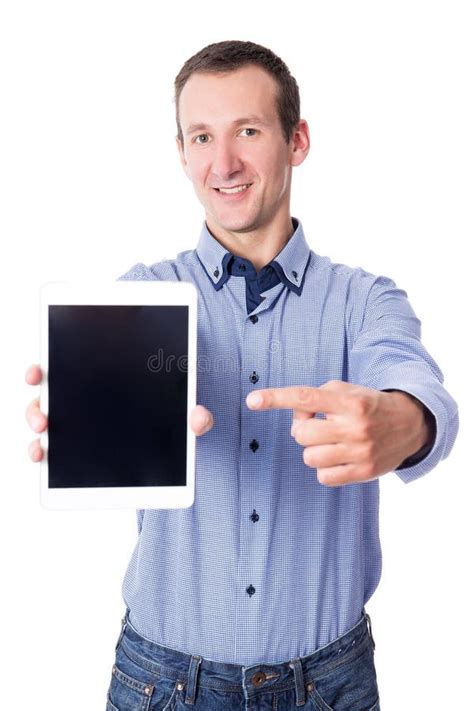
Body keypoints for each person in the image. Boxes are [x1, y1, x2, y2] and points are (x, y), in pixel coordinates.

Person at [25, 40, 458, 711]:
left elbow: (414, 384)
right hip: (160, 683)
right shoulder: (141, 297)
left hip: (330, 685)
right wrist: (81, 423)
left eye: (248, 131)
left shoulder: (365, 300)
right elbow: (97, 409)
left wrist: (402, 420)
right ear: (181, 152)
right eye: (201, 136)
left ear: (297, 140)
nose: (222, 163)